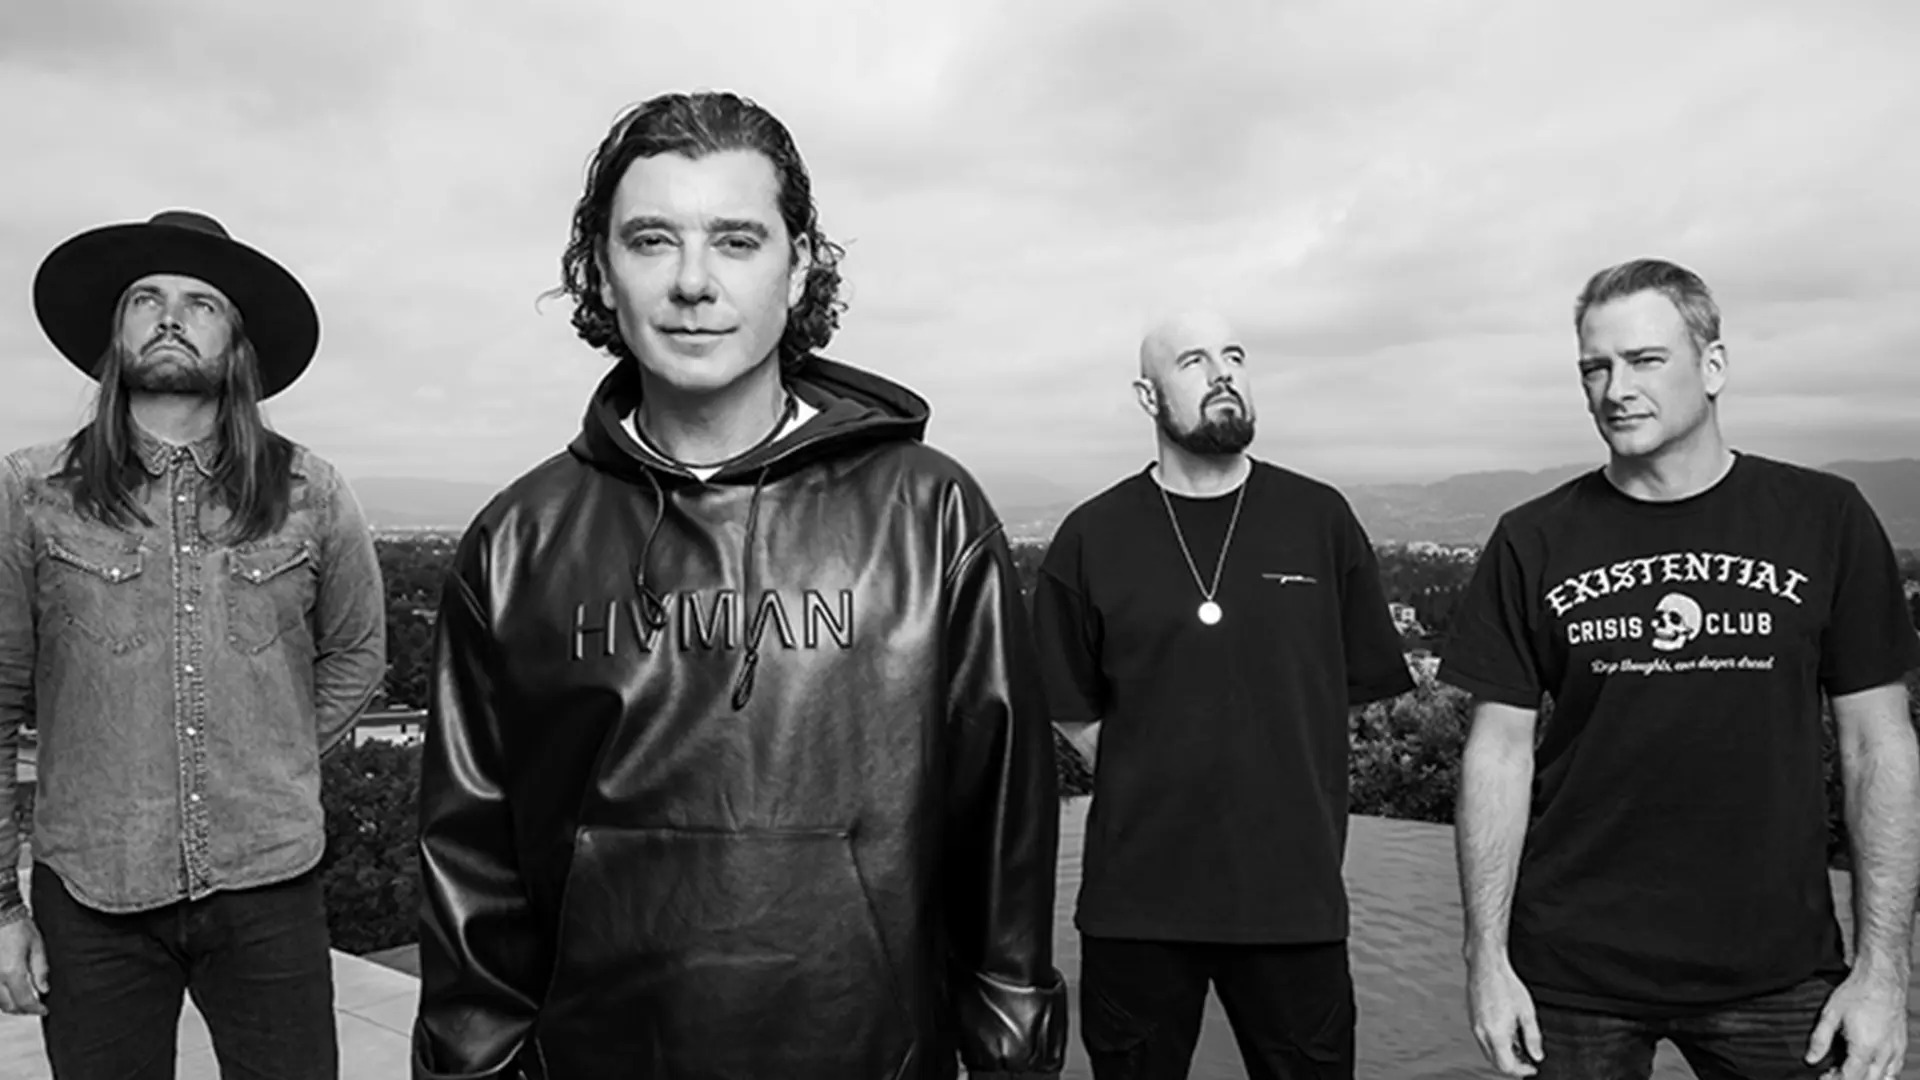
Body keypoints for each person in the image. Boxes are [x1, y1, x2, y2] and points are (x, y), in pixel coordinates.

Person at [410, 90, 1068, 1080]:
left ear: (797, 268)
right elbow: (472, 872)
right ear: (601, 270)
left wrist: (1012, 1057)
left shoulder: (929, 514)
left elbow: (1003, 835)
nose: (692, 281)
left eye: (735, 240)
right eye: (651, 240)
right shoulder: (517, 542)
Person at [1442, 257, 1920, 1080]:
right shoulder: (1532, 539)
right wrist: (1485, 958)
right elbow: (1498, 753)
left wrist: (1884, 969)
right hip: (1569, 973)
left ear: (1714, 365)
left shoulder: (1825, 519)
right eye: (1595, 368)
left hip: (1778, 968)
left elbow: (1879, 745)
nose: (1616, 389)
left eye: (1644, 360)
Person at [0, 209, 388, 1076]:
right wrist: (1, 907)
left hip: (270, 886)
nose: (170, 317)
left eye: (200, 303)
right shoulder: (30, 493)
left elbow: (358, 653)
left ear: (237, 345)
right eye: (146, 299)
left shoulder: (313, 492)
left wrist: (270, 754)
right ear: (115, 334)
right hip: (92, 893)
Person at [1029, 309, 1416, 1079]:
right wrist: (1155, 770)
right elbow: (1067, 699)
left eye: (1234, 356)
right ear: (1148, 397)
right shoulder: (1091, 535)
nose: (1223, 374)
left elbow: (1340, 693)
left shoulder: (1321, 519)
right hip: (1137, 907)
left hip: (1294, 903)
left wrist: (1267, 764)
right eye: (1194, 361)